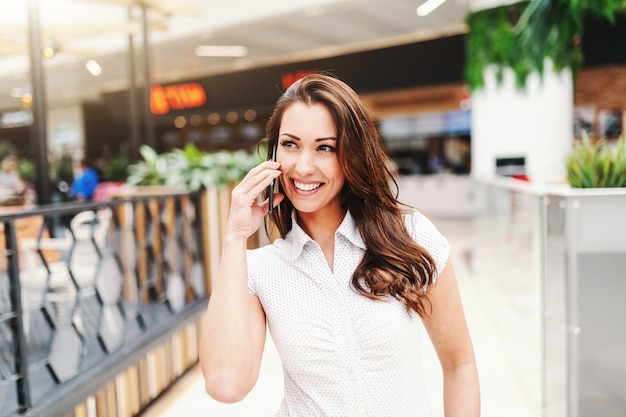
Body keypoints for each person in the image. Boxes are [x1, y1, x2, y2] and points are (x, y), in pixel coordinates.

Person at [199, 73, 480, 416]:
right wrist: (234, 239)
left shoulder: (410, 235)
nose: (303, 166)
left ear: (351, 154)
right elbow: (225, 384)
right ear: (273, 154)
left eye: (325, 148)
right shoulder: (262, 270)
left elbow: (460, 364)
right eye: (290, 144)